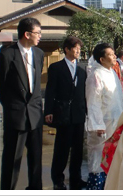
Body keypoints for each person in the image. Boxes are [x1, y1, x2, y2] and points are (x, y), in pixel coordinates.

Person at [0, 17, 44, 190]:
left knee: (36, 159)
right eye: (38, 33)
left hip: (35, 115)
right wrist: (10, 104)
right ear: (27, 34)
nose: (40, 36)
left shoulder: (39, 54)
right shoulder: (7, 55)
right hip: (16, 115)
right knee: (12, 159)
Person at [44, 36, 87, 190]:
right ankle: (58, 179)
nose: (78, 51)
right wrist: (48, 111)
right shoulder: (56, 68)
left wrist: (86, 113)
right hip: (63, 113)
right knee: (62, 148)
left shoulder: (82, 71)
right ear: (67, 49)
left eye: (79, 49)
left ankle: (76, 178)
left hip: (79, 114)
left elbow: (84, 94)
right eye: (75, 48)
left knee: (77, 149)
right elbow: (50, 91)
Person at [85, 43, 123, 189]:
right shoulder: (95, 75)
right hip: (103, 127)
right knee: (99, 160)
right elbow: (93, 102)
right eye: (110, 54)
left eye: (114, 53)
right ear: (102, 59)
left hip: (116, 123)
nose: (115, 56)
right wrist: (97, 125)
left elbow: (119, 98)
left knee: (114, 158)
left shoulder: (113, 73)